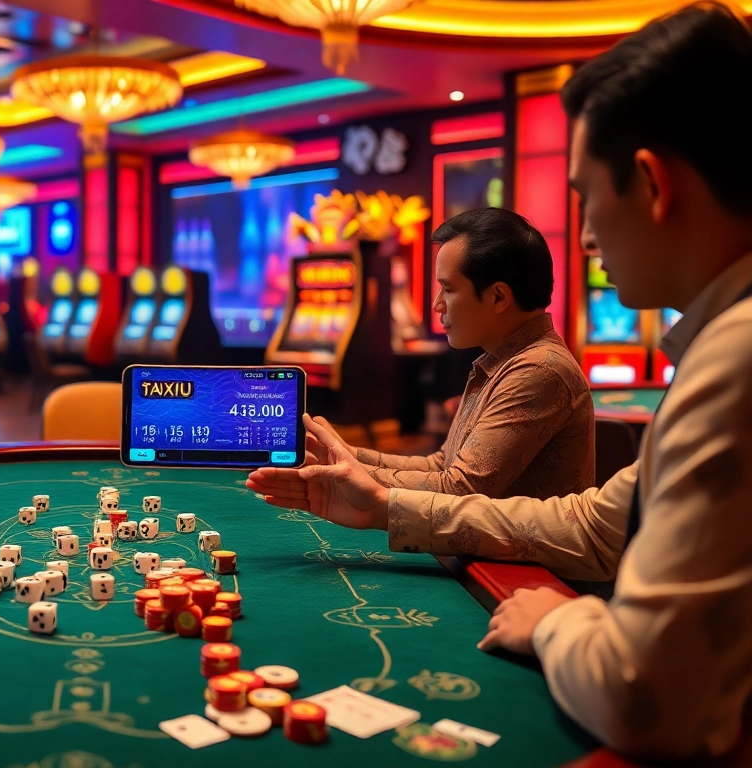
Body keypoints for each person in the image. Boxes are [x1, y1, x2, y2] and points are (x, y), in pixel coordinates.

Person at [249, 3, 752, 758]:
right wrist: (372, 484)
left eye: (586, 196)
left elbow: (647, 700)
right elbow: (592, 523)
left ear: (651, 183)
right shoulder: (718, 344)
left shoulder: (732, 362)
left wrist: (553, 621)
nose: (582, 237)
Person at [309, 207, 594, 499]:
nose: (437, 304)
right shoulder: (504, 361)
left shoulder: (538, 371)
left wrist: (343, 467)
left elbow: (459, 490)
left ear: (498, 297)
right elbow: (441, 466)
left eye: (448, 289)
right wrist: (347, 453)